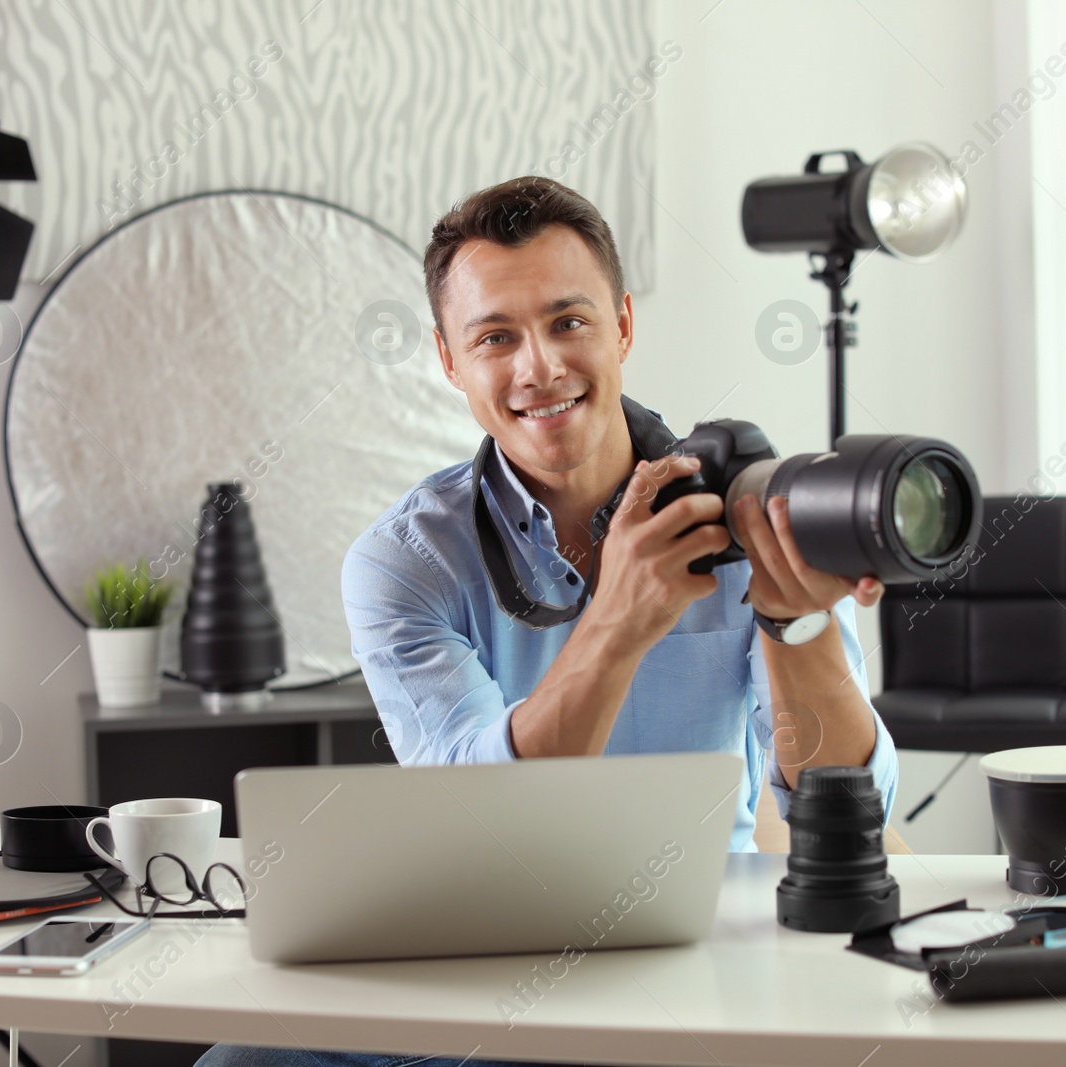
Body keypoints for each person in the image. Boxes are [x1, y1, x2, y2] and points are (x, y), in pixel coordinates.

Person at [195, 176, 898, 1067]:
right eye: (496, 337)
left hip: (694, 956)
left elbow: (850, 807)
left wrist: (795, 627)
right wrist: (618, 620)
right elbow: (480, 823)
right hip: (486, 956)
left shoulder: (740, 515)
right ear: (450, 360)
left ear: (624, 326)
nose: (539, 368)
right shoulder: (402, 562)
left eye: (570, 322)